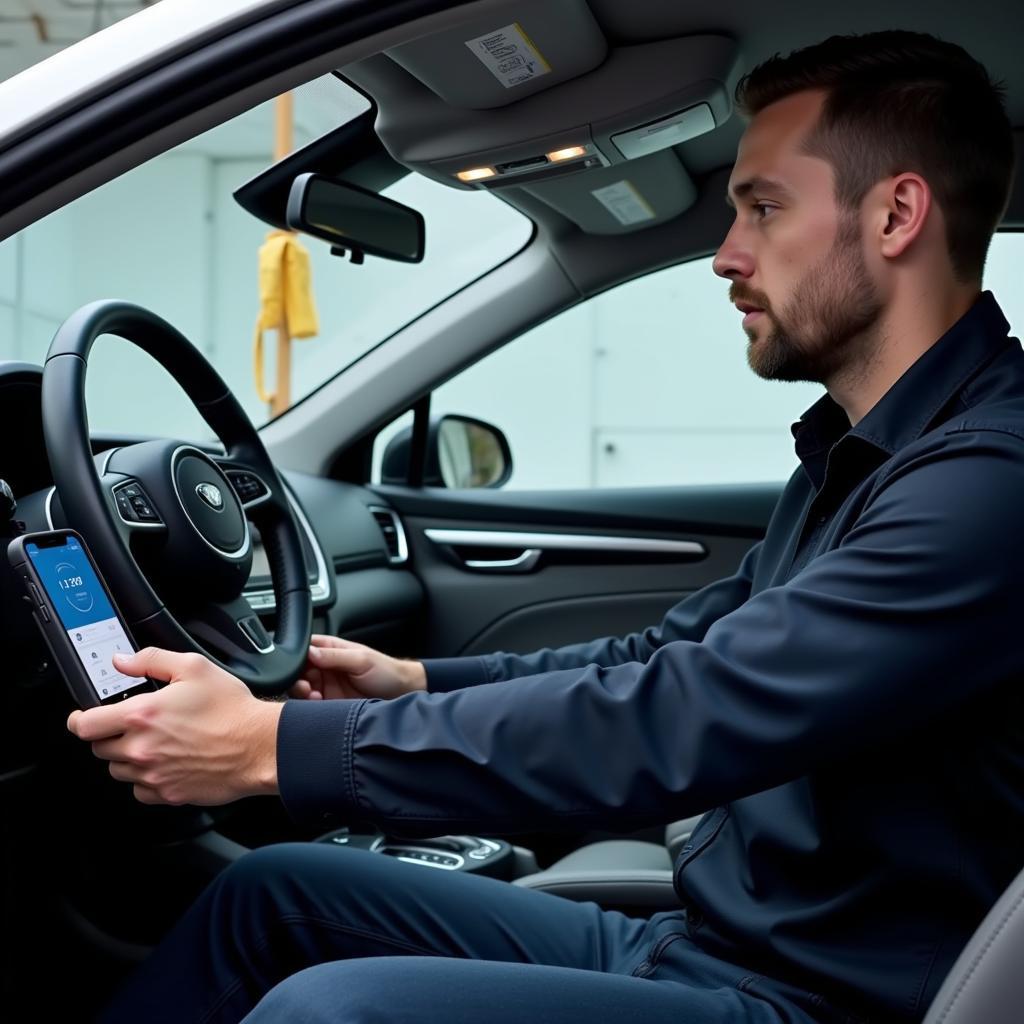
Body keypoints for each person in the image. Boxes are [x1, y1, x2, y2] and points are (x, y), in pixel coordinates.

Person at [72, 29, 1022, 1024]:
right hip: (713, 946)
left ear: (896, 215)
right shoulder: (860, 458)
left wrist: (276, 745)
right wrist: (416, 681)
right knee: (272, 897)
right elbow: (669, 651)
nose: (725, 254)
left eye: (762, 207)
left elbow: (681, 714)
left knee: (331, 1012)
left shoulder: (988, 484)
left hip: (823, 999)